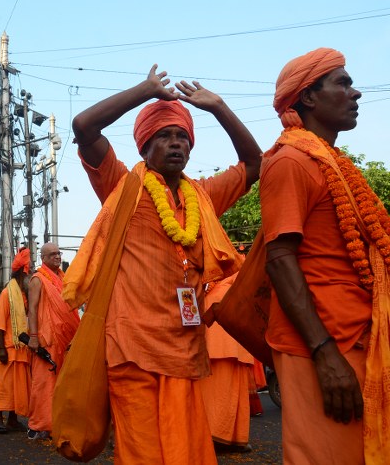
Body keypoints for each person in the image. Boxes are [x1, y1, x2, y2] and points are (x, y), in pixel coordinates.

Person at [67, 64, 260, 463]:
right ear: (144, 146)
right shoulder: (122, 186)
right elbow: (84, 127)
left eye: (183, 137)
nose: (176, 144)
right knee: (143, 453)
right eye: (164, 136)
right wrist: (146, 90)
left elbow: (254, 164)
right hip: (131, 346)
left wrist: (219, 107)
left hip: (186, 347)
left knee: (186, 449)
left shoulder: (203, 197)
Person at [261, 48, 389, 463]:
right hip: (323, 344)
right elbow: (279, 258)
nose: (356, 94)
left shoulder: (332, 163)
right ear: (309, 97)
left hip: (358, 334)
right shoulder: (290, 161)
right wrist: (325, 354)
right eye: (343, 83)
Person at [26, 242, 80, 440]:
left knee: (62, 383)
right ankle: (37, 424)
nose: (58, 257)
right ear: (44, 258)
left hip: (65, 339)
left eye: (59, 253)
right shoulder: (37, 279)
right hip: (46, 339)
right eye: (53, 254)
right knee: (43, 382)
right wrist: (33, 337)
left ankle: (55, 423)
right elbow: (32, 310)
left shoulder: (63, 278)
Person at [198, 272, 253, 453]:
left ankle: (213, 436)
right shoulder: (232, 280)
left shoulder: (218, 284)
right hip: (227, 340)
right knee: (227, 390)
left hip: (215, 340)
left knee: (215, 391)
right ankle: (228, 437)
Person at [0, 248, 32, 434]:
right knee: (5, 385)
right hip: (8, 347)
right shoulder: (7, 293)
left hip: (22, 349)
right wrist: (1, 348)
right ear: (22, 274)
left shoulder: (25, 295)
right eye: (28, 273)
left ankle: (13, 419)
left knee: (18, 387)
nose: (30, 276)